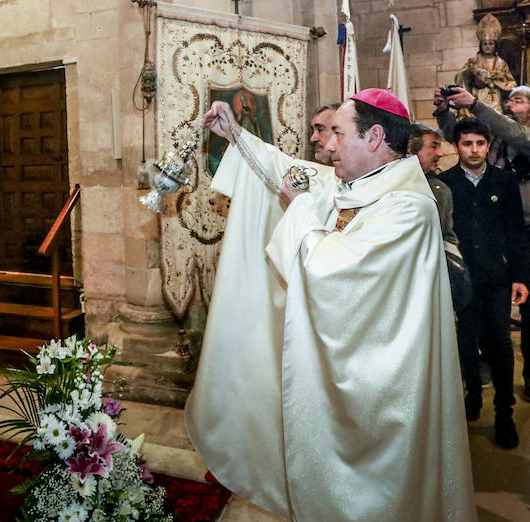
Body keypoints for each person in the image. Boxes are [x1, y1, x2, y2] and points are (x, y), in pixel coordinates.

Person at [186, 89, 474, 520]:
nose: (328, 145)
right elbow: (285, 169)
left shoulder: (406, 207)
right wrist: (235, 133)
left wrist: (298, 209)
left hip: (384, 396)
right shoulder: (349, 185)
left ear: (374, 137)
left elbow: (332, 274)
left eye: (338, 133)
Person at [435, 84, 530, 400]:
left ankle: (505, 410)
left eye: (479, 143)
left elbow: (515, 232)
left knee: (500, 342)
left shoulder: (503, 181)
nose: (473, 150)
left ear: (488, 146)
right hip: (462, 277)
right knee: (465, 337)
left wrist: (519, 276)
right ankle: (473, 394)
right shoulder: (446, 184)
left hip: (496, 277)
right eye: (466, 144)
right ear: (457, 147)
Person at [454, 13, 517, 115]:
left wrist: (498, 79)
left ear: (495, 45)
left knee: (496, 121)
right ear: (481, 45)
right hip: (479, 96)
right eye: (485, 44)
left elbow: (511, 84)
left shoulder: (501, 63)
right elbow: (460, 77)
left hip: (495, 97)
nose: (488, 46)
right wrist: (473, 73)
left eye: (491, 43)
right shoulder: (474, 61)